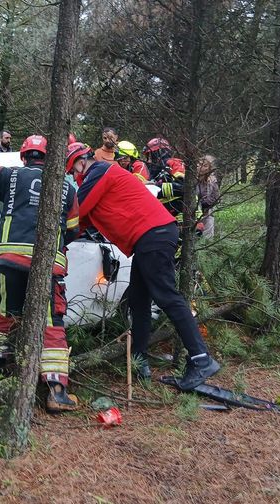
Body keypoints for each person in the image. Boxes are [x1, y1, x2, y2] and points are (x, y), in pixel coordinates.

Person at [65, 142, 220, 391]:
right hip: (150, 238)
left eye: (72, 171)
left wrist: (56, 239)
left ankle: (201, 359)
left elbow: (76, 212)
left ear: (81, 162)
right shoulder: (102, 175)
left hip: (153, 236)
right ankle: (139, 362)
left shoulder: (99, 172)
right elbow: (82, 222)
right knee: (139, 302)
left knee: (167, 296)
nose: (74, 177)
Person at [0, 134, 80, 412]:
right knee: (52, 324)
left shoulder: (8, 176)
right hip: (47, 266)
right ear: (50, 158)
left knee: (6, 315)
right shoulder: (67, 188)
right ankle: (56, 391)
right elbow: (74, 228)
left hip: (10, 261)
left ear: (23, 156)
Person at [196, 155, 219, 239]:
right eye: (199, 164)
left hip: (207, 213)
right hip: (193, 214)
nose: (201, 167)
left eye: (205, 166)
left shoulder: (212, 181)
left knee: (207, 238)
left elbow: (215, 196)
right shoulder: (191, 180)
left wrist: (205, 204)